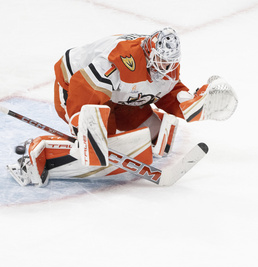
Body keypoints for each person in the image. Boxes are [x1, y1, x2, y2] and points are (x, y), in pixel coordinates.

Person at [7, 27, 237, 186]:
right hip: (74, 82)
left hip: (118, 93)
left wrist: (195, 105)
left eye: (170, 62)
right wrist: (85, 129)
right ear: (149, 52)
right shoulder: (119, 61)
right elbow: (83, 88)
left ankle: (106, 138)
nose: (165, 67)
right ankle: (36, 150)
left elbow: (168, 95)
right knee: (98, 141)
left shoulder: (167, 68)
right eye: (161, 60)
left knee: (153, 131)